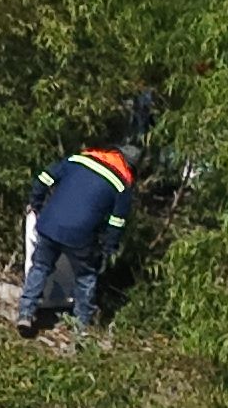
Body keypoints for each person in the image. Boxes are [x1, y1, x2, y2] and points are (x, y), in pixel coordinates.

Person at [24, 122, 149, 336]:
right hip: (80, 237)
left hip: (49, 224)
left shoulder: (79, 160)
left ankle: (25, 314)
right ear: (132, 167)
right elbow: (116, 224)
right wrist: (107, 250)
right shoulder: (121, 184)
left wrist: (35, 203)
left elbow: (44, 177)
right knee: (86, 278)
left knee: (40, 267)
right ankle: (81, 329)